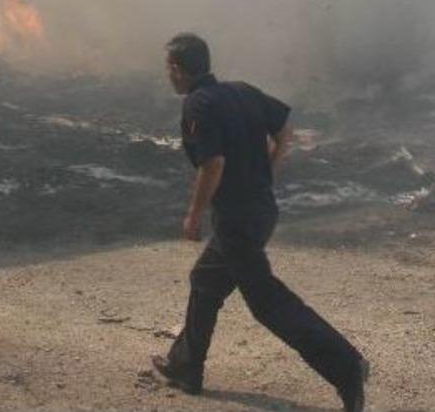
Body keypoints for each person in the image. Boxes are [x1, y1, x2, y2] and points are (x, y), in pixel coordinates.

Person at [152, 32, 369, 411]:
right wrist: (267, 169)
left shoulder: (198, 104)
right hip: (260, 209)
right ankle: (185, 366)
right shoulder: (242, 91)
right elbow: (285, 129)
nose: (167, 76)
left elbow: (213, 164)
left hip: (237, 218)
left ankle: (347, 366)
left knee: (267, 303)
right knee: (205, 280)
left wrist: (194, 214)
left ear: (177, 69)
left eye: (168, 69)